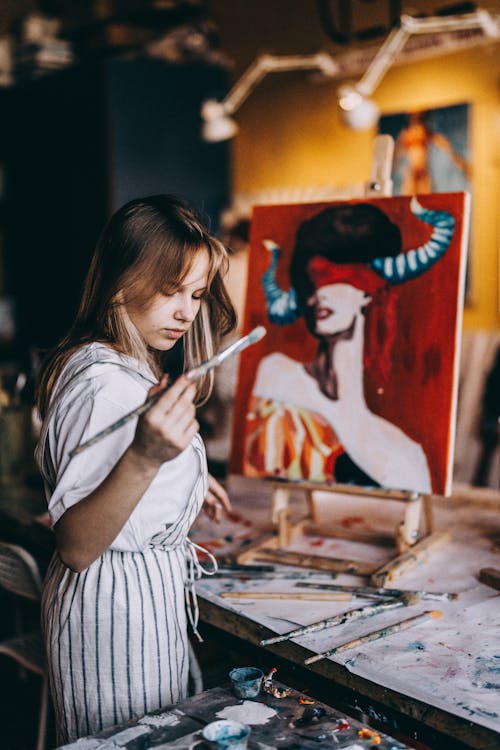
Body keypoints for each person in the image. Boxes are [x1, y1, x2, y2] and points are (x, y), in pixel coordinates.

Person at [35, 194, 236, 743]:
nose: (186, 311)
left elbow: (108, 469)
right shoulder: (105, 382)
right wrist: (149, 457)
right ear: (121, 282)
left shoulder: (118, 366)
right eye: (171, 290)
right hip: (114, 615)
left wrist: (184, 476)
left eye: (196, 294)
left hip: (135, 606)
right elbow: (76, 544)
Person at [244, 198, 456, 494]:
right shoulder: (278, 376)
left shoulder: (404, 456)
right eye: (313, 280)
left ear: (369, 294)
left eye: (338, 278)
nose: (320, 293)